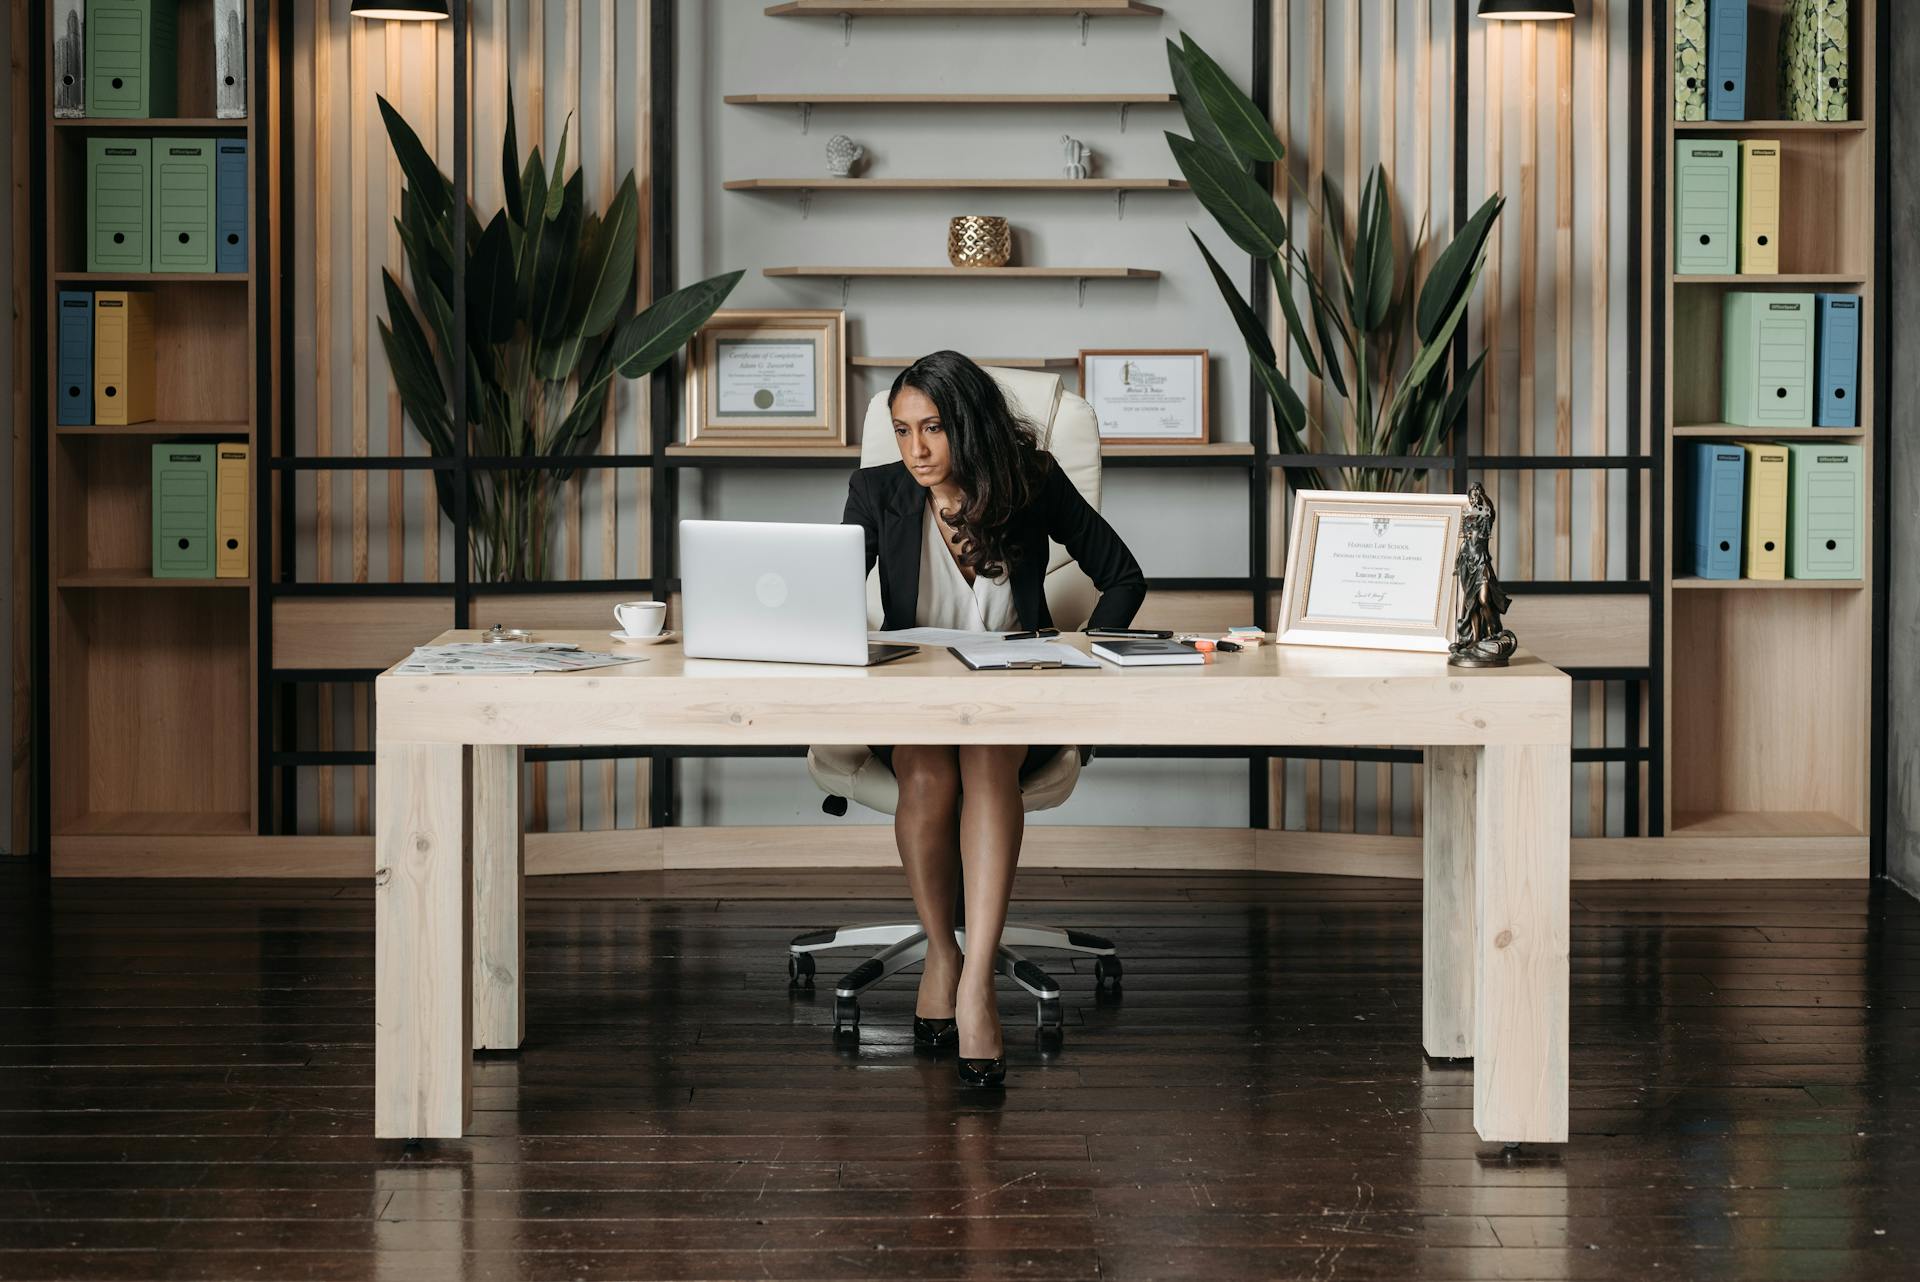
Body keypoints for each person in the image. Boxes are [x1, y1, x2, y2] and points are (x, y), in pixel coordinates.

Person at [841, 350, 1147, 1087]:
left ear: (969, 427)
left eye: (933, 429)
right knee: (925, 771)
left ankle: (976, 980)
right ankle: (942, 952)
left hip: (1017, 692)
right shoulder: (877, 491)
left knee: (985, 761)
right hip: (917, 700)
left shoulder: (1030, 481)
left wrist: (1078, 661)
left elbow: (1123, 576)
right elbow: (826, 598)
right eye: (902, 430)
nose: (915, 450)